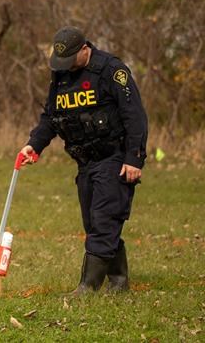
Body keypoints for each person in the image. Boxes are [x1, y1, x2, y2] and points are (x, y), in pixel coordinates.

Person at [19, 26, 147, 294]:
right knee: (94, 223)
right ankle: (119, 282)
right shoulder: (62, 75)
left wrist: (134, 158)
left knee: (103, 220)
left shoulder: (112, 70)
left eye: (70, 60)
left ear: (85, 49)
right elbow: (51, 116)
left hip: (114, 157)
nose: (65, 67)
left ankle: (87, 287)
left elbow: (134, 115)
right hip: (85, 161)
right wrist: (35, 144)